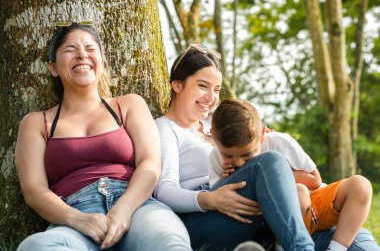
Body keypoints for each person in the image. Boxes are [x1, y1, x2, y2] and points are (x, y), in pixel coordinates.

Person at [15, 22, 191, 251]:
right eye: (70, 49)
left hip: (137, 206)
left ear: (103, 61)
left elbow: (150, 164)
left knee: (168, 241)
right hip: (74, 215)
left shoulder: (128, 105)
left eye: (90, 48)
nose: (81, 55)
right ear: (53, 68)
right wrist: (77, 218)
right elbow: (34, 190)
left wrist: (124, 209)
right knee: (36, 246)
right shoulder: (37, 123)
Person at [154, 43, 315, 251]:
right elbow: (164, 191)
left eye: (217, 89)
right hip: (201, 217)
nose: (212, 97)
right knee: (270, 161)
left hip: (249, 210)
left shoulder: (218, 126)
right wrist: (209, 199)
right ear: (177, 85)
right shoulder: (166, 128)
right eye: (203, 86)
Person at [208, 98, 378, 251]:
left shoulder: (280, 142)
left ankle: (336, 249)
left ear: (261, 136)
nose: (238, 162)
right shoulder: (216, 159)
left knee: (360, 185)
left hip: (314, 205)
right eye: (229, 156)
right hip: (274, 219)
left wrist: (274, 178)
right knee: (299, 194)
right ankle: (283, 246)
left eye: (247, 156)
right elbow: (224, 206)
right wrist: (228, 180)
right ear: (215, 141)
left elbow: (315, 179)